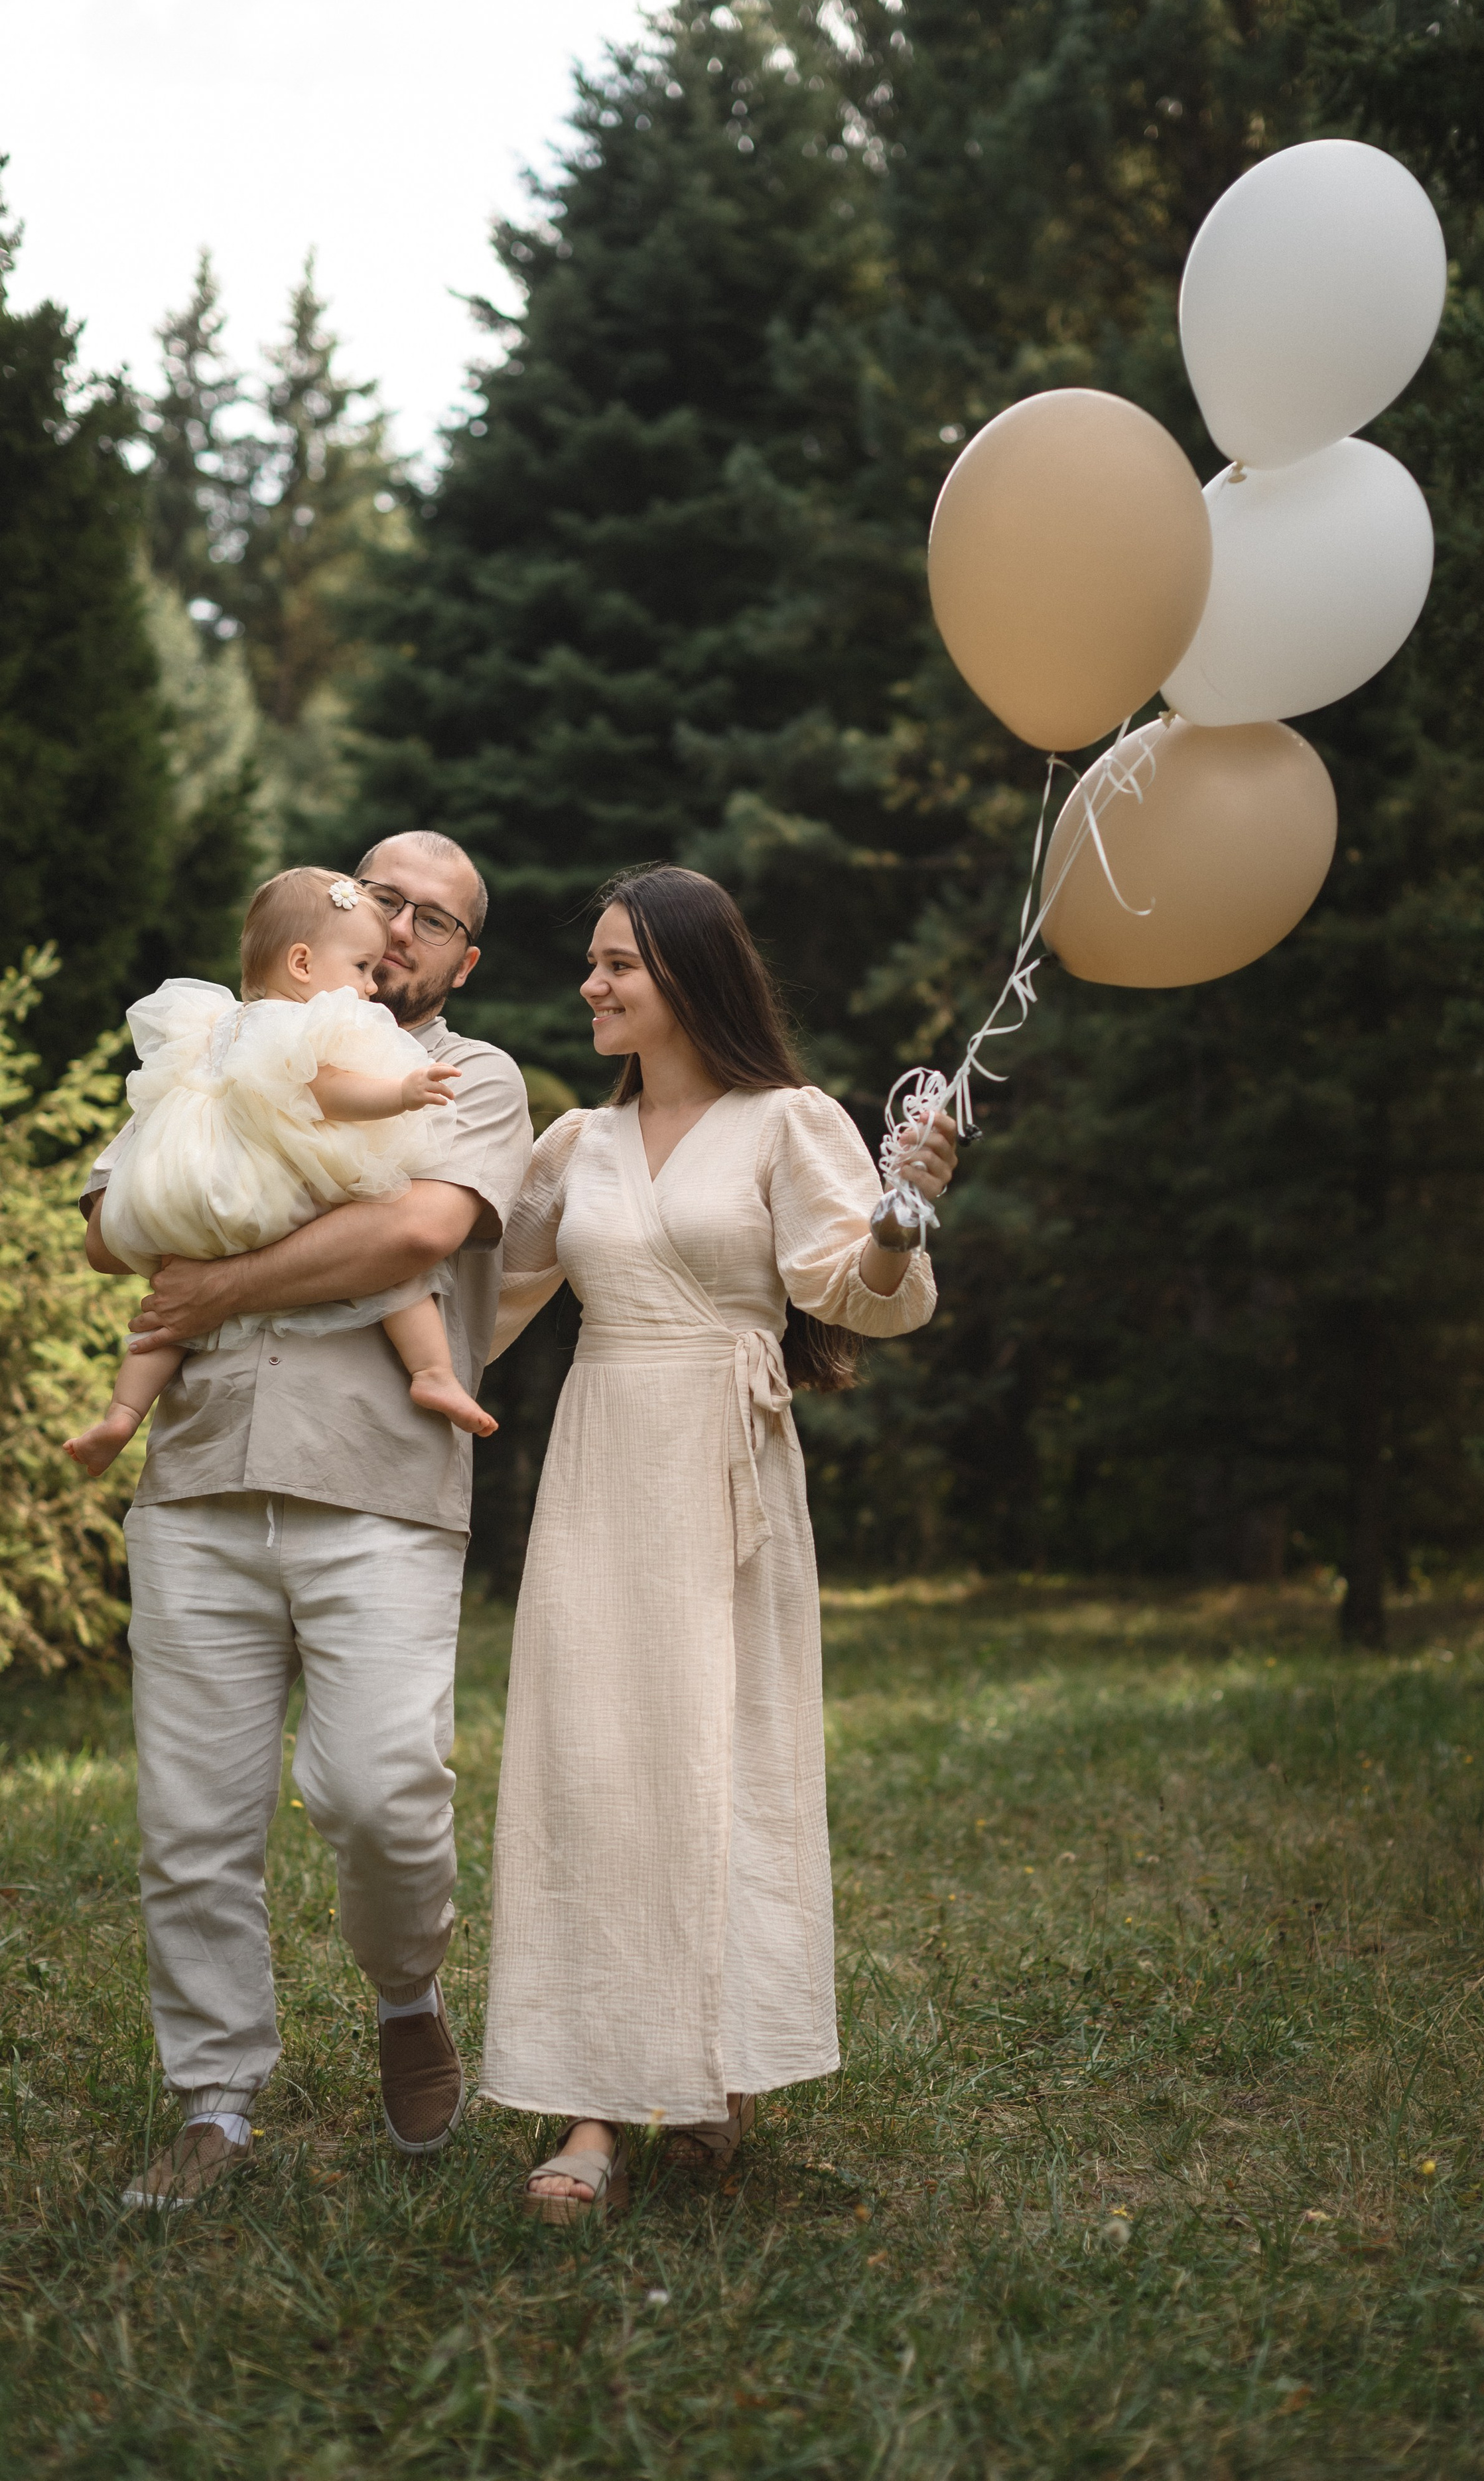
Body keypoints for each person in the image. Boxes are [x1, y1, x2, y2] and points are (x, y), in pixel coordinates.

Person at [480, 864, 957, 2221]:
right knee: (590, 1761)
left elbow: (867, 1297)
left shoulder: (786, 1121)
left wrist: (898, 1217)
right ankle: (590, 2104)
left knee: (720, 1755)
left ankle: (715, 2066)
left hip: (727, 1463)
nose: (589, 984)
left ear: (690, 974)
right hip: (600, 1465)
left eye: (616, 963)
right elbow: (474, 1297)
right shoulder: (573, 1144)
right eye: (592, 961)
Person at [82, 831, 531, 2212]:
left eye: (431, 918)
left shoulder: (470, 1077)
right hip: (199, 1476)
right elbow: (111, 1216)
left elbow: (411, 1233)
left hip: (379, 1482)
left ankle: (406, 1990)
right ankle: (213, 2098)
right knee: (191, 1820)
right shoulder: (222, 1039)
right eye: (380, 897)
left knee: (381, 1790)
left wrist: (214, 1278)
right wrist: (195, 1210)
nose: (398, 927)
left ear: (463, 958)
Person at [66, 867, 494, 1479]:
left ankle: (122, 1413)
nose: (370, 984)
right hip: (265, 1187)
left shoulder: (215, 1024)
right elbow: (329, 1092)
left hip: (183, 1191)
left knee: (173, 1308)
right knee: (384, 1247)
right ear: (302, 963)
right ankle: (432, 1372)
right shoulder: (301, 1026)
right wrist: (400, 1092)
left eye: (431, 919)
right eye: (361, 967)